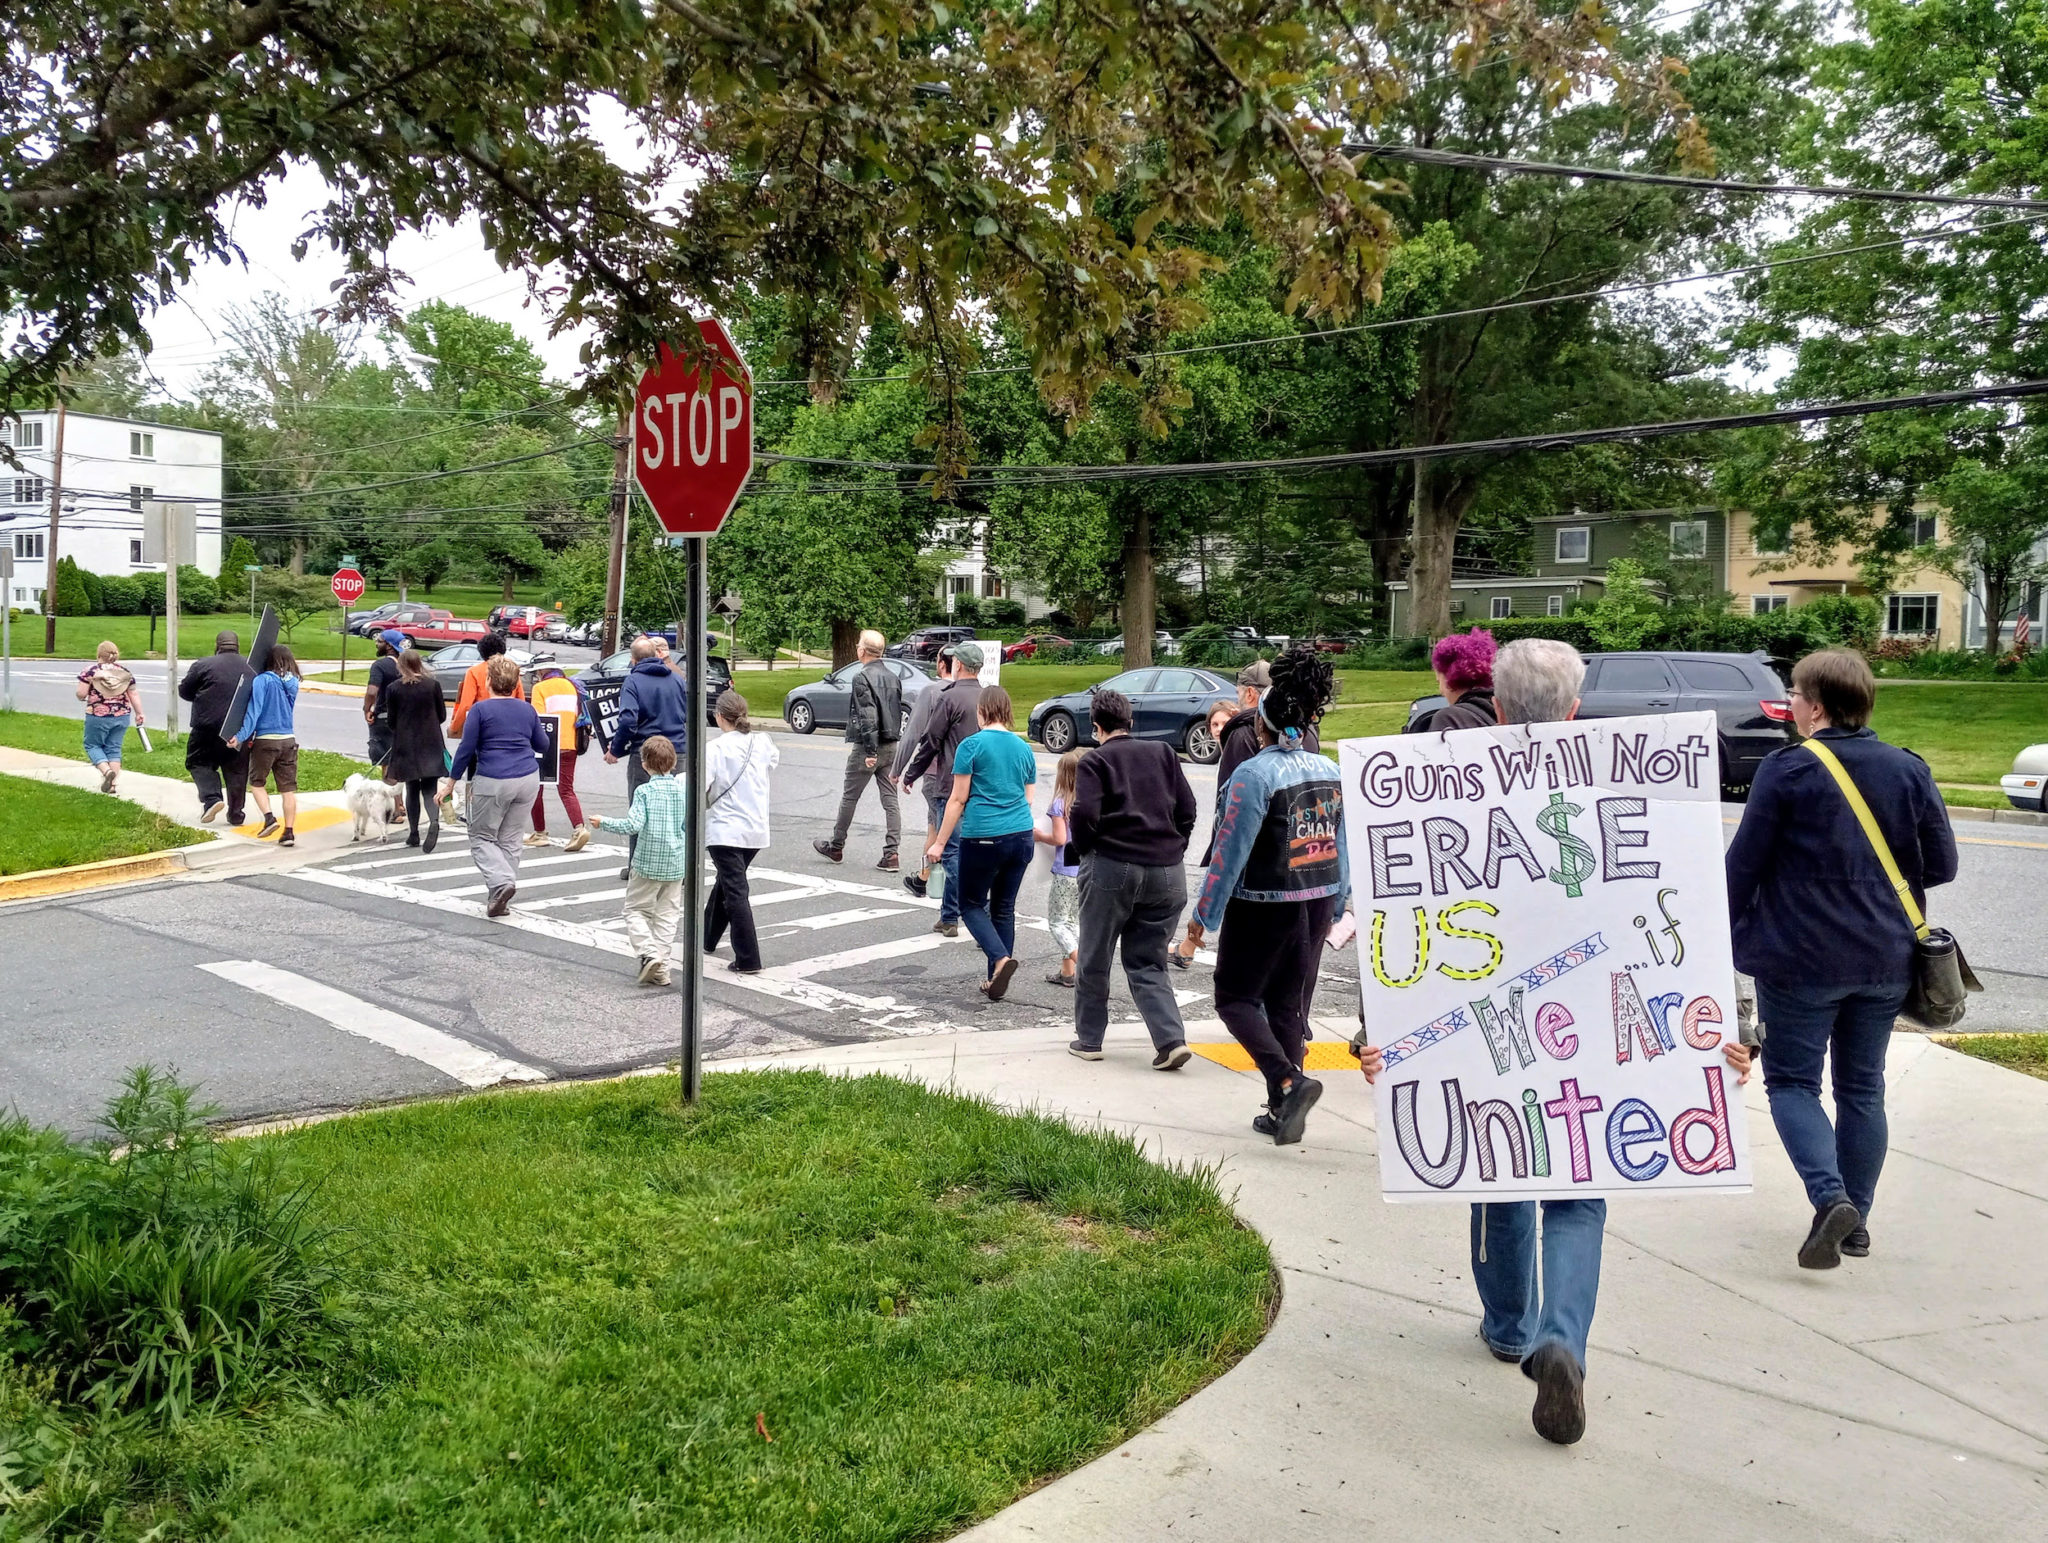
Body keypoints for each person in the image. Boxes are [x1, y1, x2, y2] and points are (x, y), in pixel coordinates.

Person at [1350, 637, 1756, 1447]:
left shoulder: (1444, 790)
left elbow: (1405, 921)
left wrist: (1381, 1030)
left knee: (1501, 1166)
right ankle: (1562, 1339)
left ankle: (1509, 1326)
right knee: (1578, 1192)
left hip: (1490, 1031)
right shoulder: (1640, 783)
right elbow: (1692, 915)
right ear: (1576, 707)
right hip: (1598, 1037)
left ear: (1496, 706)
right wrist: (1730, 1026)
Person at [1725, 646, 1958, 1269]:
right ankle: (1857, 1224)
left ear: (1817, 707)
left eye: (1795, 696)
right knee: (1862, 1088)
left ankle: (1830, 1200)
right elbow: (1943, 865)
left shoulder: (1788, 769)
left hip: (1799, 957)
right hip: (1885, 956)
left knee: (1793, 1082)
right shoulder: (1909, 769)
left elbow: (1743, 865)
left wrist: (1714, 938)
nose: (1790, 706)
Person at [1188, 647, 1344, 1127]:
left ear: (1262, 725)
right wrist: (1338, 905)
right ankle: (1284, 1110)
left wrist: (1201, 921)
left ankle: (1285, 1081)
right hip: (1316, 900)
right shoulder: (1330, 771)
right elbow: (1343, 844)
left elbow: (1228, 854)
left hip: (1262, 903)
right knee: (1286, 1005)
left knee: (1234, 998)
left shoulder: (1253, 775)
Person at [1068, 690, 1199, 1066]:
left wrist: (1085, 848)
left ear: (1096, 727)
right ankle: (1170, 1039)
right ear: (1130, 721)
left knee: (1095, 953)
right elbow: (1188, 808)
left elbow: (1084, 814)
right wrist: (1176, 844)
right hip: (1168, 870)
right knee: (1149, 961)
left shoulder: (1095, 761)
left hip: (1113, 865)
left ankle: (1090, 1040)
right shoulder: (1163, 754)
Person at [926, 685, 1036, 999]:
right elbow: (1028, 798)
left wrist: (938, 843)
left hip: (984, 835)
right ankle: (996, 981)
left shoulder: (971, 746)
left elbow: (958, 800)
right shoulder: (1023, 747)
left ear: (982, 711)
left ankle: (1001, 960)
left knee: (970, 904)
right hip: (1021, 835)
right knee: (1004, 908)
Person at [896, 642, 984, 936]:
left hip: (950, 784)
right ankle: (952, 916)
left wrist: (911, 773)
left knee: (951, 852)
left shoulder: (950, 698)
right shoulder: (989, 697)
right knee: (977, 852)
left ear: (957, 665)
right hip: (983, 786)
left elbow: (931, 741)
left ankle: (960, 916)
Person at [449, 654, 548, 917]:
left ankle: (502, 883)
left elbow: (466, 748)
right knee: (511, 838)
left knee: (481, 836)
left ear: (489, 680)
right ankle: (500, 896)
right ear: (516, 683)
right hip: (527, 778)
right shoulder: (527, 710)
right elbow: (543, 745)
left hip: (493, 778)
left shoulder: (480, 710)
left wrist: (451, 782)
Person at [591, 735, 690, 986]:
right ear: (674, 763)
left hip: (647, 862)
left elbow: (633, 825)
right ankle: (662, 970)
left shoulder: (644, 791)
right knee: (667, 915)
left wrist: (605, 822)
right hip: (675, 862)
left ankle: (648, 952)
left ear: (645, 764)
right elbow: (688, 826)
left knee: (635, 910)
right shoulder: (682, 790)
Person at [1173, 697, 1254, 969]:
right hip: (1225, 834)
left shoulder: (1240, 746)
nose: (1218, 729)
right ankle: (1188, 947)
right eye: (1213, 725)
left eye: (1223, 723)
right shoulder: (1229, 747)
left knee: (1214, 888)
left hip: (1233, 837)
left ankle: (1189, 946)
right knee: (1214, 889)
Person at [815, 629, 905, 871]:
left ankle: (836, 846)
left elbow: (867, 716)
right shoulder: (892, 676)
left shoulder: (861, 677)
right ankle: (892, 852)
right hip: (891, 744)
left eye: (858, 645)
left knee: (850, 796)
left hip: (869, 746)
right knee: (890, 799)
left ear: (862, 650)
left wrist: (870, 751)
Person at [704, 689, 778, 974]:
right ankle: (708, 936)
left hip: (725, 830)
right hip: (755, 829)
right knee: (728, 881)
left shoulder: (716, 748)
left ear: (720, 716)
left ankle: (748, 958)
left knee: (735, 890)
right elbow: (772, 762)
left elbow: (702, 784)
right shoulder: (762, 742)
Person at [606, 636, 691, 881]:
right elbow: (687, 712)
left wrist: (616, 749)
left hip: (646, 753)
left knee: (639, 811)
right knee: (679, 811)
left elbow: (628, 719)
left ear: (633, 659)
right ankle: (680, 866)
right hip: (678, 751)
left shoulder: (633, 681)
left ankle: (636, 866)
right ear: (657, 655)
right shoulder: (676, 679)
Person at [230, 644, 303, 846]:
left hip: (265, 740)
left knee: (257, 782)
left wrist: (240, 736)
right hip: (288, 739)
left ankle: (269, 818)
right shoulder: (293, 682)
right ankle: (289, 832)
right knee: (288, 789)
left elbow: (254, 712)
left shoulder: (262, 681)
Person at [179, 630, 252, 824]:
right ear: (237, 646)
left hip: (206, 726)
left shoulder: (203, 665)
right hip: (239, 727)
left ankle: (212, 799)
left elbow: (184, 691)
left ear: (217, 646)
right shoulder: (251, 667)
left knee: (198, 762)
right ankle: (236, 813)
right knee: (237, 769)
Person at [382, 649, 451, 851]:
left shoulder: (394, 688)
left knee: (412, 789)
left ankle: (413, 833)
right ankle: (434, 820)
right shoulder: (433, 685)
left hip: (406, 744)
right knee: (430, 787)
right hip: (431, 743)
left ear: (401, 665)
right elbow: (441, 715)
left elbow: (391, 720)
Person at [527, 664, 590, 853]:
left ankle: (540, 833)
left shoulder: (540, 688)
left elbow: (539, 718)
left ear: (540, 672)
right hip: (570, 743)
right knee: (566, 790)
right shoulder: (573, 686)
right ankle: (579, 828)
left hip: (547, 743)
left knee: (536, 788)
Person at [1037, 748, 1086, 987]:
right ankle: (1067, 973)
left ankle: (1085, 967)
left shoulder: (1060, 804)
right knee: (1072, 922)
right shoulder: (1088, 802)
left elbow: (1058, 838)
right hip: (1083, 870)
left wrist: (1039, 836)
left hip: (1065, 871)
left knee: (1057, 923)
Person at [76, 641, 144, 794]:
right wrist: (139, 713)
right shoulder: (125, 672)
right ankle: (112, 785)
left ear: (99, 654)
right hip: (122, 715)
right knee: (114, 748)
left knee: (92, 745)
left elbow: (81, 693)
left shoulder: (90, 671)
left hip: (98, 715)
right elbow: (133, 693)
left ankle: (107, 772)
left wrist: (83, 696)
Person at [1406, 628, 1500, 733]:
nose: (1441, 691)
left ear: (1448, 679)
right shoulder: (1507, 709)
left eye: (1439, 681)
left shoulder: (1449, 719)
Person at [448, 630, 524, 737]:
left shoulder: (474, 672)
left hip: (483, 726)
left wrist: (454, 728)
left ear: (482, 651)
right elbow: (521, 701)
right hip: (509, 725)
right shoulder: (511, 670)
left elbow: (465, 706)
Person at [363, 628, 406, 769]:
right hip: (405, 720)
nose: (376, 643)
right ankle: (399, 791)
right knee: (401, 762)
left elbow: (372, 692)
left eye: (379, 641)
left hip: (384, 719)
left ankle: (389, 790)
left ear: (389, 645)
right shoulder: (406, 666)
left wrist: (367, 709)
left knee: (386, 762)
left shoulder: (379, 665)